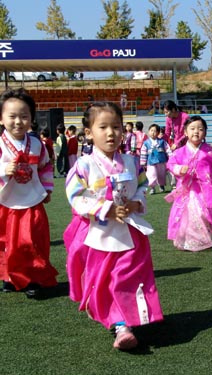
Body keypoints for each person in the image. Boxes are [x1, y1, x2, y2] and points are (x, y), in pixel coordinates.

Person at [63, 101, 163, 351]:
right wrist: (104, 208)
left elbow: (143, 184)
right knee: (105, 280)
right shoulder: (84, 165)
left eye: (116, 127)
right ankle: (120, 324)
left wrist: (137, 202)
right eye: (103, 127)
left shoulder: (131, 161)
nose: (111, 133)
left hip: (130, 232)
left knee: (126, 277)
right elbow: (74, 195)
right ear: (89, 133)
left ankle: (123, 323)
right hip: (100, 235)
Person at [0, 88, 58, 297]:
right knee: (7, 242)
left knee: (33, 241)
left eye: (24, 116)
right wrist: (3, 170)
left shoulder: (36, 144)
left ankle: (33, 278)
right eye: (12, 116)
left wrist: (48, 189)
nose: (18, 121)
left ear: (32, 118)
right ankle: (10, 277)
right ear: (1, 118)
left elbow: (45, 167)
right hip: (6, 201)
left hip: (32, 201)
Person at [166, 115, 212, 251]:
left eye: (200, 129)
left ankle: (205, 234)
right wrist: (179, 169)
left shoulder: (209, 151)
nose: (196, 132)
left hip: (208, 189)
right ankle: (191, 240)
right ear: (185, 132)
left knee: (204, 213)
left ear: (205, 132)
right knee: (190, 213)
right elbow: (171, 164)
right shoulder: (179, 152)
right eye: (192, 128)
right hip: (188, 190)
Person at [140, 123, 170, 194]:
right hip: (151, 162)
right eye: (151, 130)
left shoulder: (162, 142)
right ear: (148, 131)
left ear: (158, 133)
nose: (153, 133)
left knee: (161, 174)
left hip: (161, 161)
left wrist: (171, 157)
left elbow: (167, 149)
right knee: (151, 174)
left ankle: (161, 186)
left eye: (155, 131)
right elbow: (143, 153)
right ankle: (152, 187)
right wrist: (143, 163)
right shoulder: (146, 143)